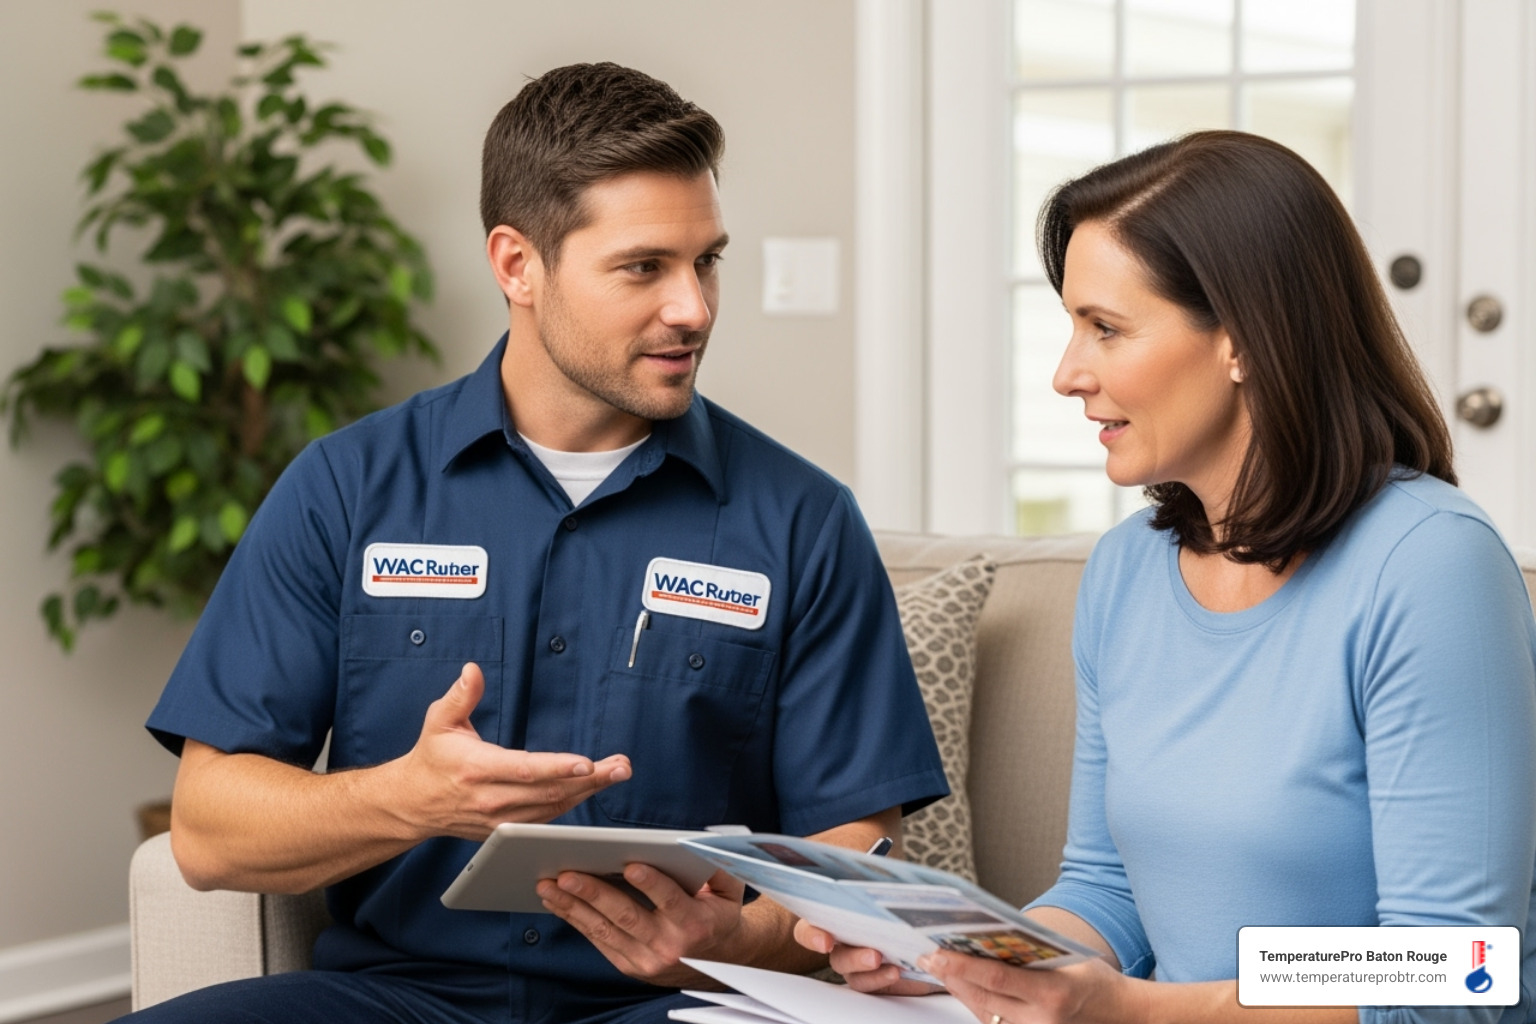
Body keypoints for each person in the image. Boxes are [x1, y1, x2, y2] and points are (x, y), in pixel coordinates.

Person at [122, 62, 948, 1024]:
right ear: (517, 264)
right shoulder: (347, 488)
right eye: (645, 267)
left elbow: (855, 841)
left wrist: (733, 940)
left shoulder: (802, 519)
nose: (695, 308)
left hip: (679, 1012)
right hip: (394, 1001)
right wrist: (411, 799)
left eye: (707, 261)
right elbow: (209, 832)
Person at [799, 130, 1536, 1024]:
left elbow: (1452, 969)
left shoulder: (1429, 565)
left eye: (1105, 328)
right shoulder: (1126, 571)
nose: (1068, 374)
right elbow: (1106, 888)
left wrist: (1146, 1010)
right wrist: (958, 963)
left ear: (1244, 339)